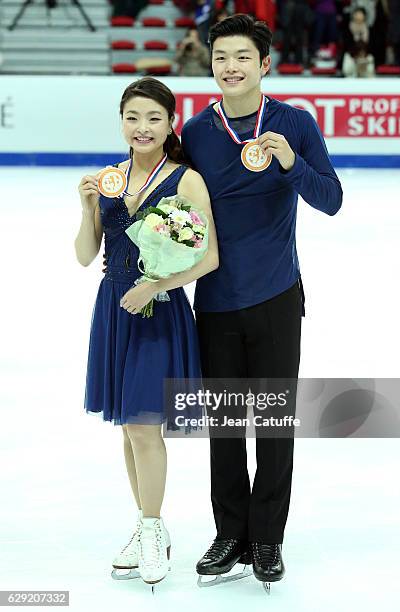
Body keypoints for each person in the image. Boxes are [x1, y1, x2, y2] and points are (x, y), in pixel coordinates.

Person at [180, 14, 343, 589]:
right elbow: (172, 210)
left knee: (273, 426)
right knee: (224, 427)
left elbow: (331, 199)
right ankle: (230, 535)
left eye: (242, 56)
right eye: (221, 56)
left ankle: (267, 538)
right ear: (211, 64)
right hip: (216, 301)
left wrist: (291, 164)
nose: (231, 66)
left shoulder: (294, 123)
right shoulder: (196, 132)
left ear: (264, 63)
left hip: (277, 296)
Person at [74, 77, 219, 588]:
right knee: (128, 428)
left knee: (142, 425)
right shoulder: (111, 178)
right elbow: (86, 254)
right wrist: (88, 206)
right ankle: (145, 524)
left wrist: (157, 284)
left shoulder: (185, 180)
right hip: (114, 310)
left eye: (154, 118)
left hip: (158, 312)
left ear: (171, 123)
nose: (142, 127)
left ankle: (153, 529)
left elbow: (210, 257)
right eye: (133, 117)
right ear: (122, 121)